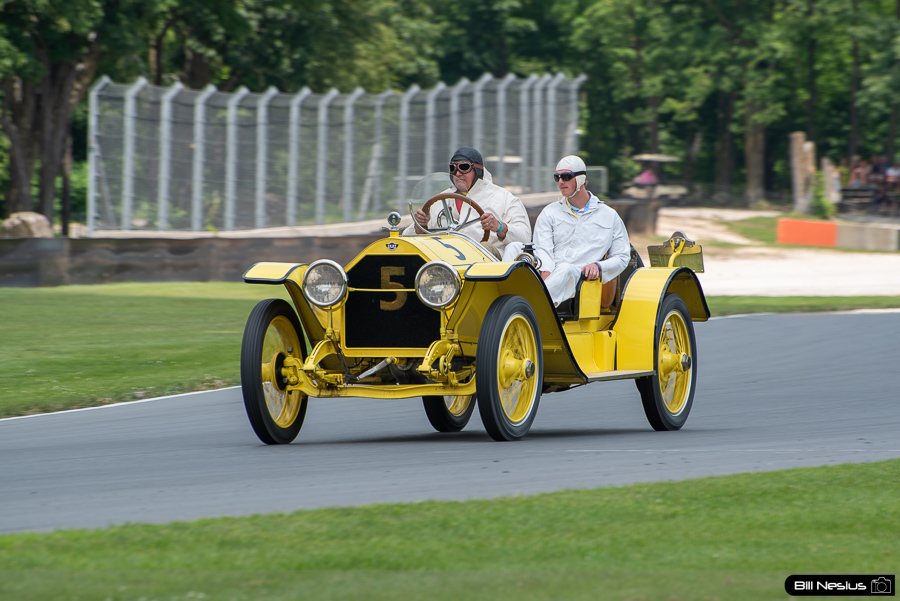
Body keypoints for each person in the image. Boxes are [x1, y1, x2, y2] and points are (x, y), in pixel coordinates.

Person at [504, 155, 630, 306]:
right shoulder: (549, 212)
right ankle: (504, 300)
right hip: (548, 269)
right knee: (514, 247)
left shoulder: (609, 215)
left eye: (566, 176)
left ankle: (527, 306)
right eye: (557, 177)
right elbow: (543, 247)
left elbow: (622, 257)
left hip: (578, 275)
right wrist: (546, 271)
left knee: (566, 268)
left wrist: (599, 266)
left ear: (581, 179)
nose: (561, 182)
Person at [407, 146, 531, 259]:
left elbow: (524, 237)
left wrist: (499, 227)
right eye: (453, 168)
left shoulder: (504, 198)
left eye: (464, 167)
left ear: (477, 171)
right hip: (443, 262)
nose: (458, 173)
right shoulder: (439, 200)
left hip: (489, 264)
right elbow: (407, 238)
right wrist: (420, 226)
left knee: (484, 248)